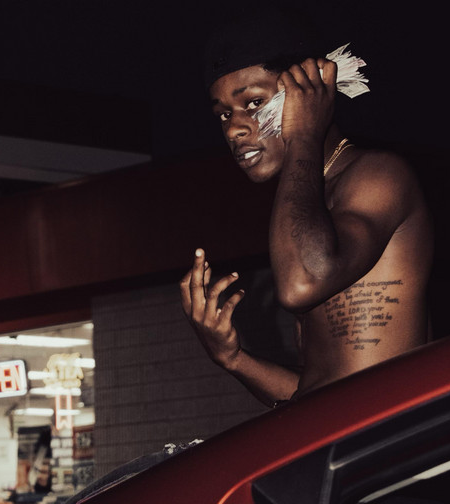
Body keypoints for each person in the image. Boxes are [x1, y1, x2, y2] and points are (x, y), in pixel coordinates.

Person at [180, 11, 433, 407]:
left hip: (390, 442)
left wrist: (303, 134)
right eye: (224, 114)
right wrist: (233, 359)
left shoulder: (377, 176)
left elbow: (300, 284)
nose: (234, 129)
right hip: (341, 439)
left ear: (308, 92)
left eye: (254, 102)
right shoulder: (309, 201)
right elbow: (315, 394)